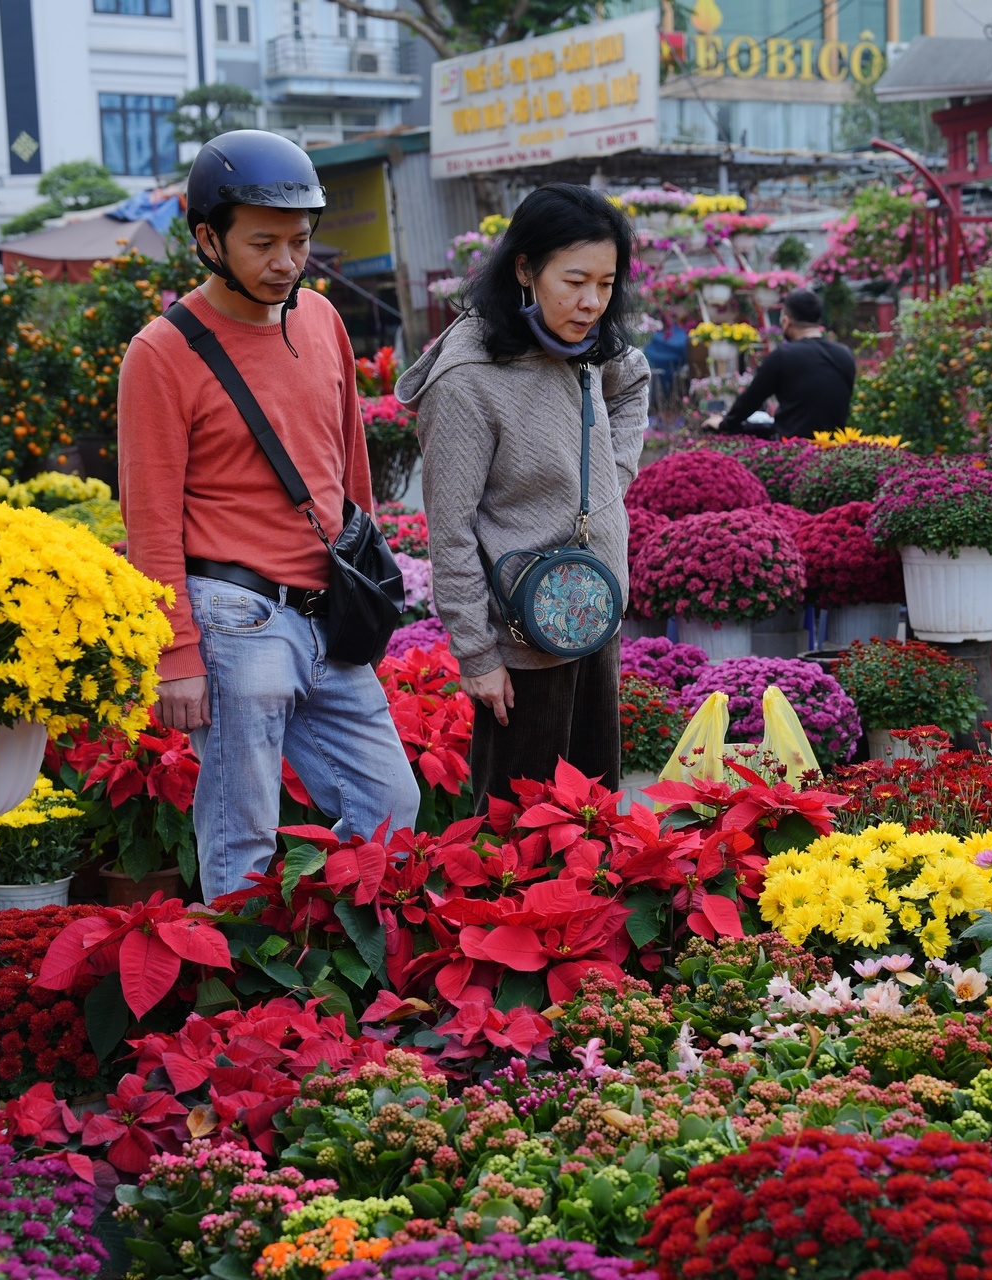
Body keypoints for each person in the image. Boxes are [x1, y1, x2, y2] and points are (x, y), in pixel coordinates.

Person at [117, 129, 419, 903]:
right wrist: (176, 653)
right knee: (241, 836)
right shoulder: (161, 353)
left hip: (328, 609)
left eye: (300, 241)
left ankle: (324, 940)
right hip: (234, 617)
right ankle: (239, 972)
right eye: (263, 243)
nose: (287, 261)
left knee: (390, 806)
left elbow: (348, 466)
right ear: (207, 240)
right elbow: (150, 521)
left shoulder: (321, 320)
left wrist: (365, 576)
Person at [398, 183, 650, 806]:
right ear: (524, 269)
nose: (592, 302)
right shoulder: (467, 379)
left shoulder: (585, 344)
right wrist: (477, 655)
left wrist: (608, 481)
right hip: (520, 642)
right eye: (574, 281)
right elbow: (450, 533)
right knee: (520, 827)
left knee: (595, 818)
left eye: (606, 283)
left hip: (592, 610)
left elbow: (633, 379)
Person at [706, 289, 855, 438]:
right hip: (836, 446)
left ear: (786, 321)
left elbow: (751, 400)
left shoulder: (783, 355)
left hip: (792, 446)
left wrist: (724, 424)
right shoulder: (845, 354)